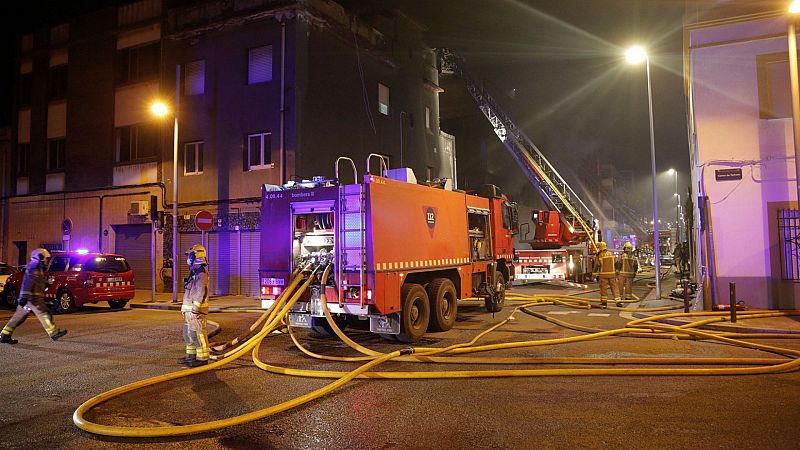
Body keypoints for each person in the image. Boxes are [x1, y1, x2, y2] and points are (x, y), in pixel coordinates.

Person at [1, 249, 67, 344]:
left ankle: (4, 335)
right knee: (44, 313)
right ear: (40, 257)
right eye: (46, 258)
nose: (47, 261)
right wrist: (24, 296)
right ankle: (54, 333)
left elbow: (37, 283)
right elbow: (28, 282)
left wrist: (47, 286)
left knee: (19, 317)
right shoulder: (34, 266)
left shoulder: (38, 267)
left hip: (30, 298)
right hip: (33, 299)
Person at [178, 244, 210, 367]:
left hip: (196, 311)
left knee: (198, 334)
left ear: (194, 256)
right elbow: (189, 292)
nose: (187, 259)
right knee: (188, 334)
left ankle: (202, 359)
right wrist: (184, 308)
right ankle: (191, 357)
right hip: (189, 311)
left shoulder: (202, 273)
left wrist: (196, 308)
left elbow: (200, 291)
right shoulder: (194, 272)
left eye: (189, 255)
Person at [592, 241, 620, 308]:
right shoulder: (611, 254)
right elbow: (617, 263)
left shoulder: (599, 256)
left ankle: (604, 302)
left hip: (603, 275)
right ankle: (618, 301)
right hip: (612, 275)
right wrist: (617, 271)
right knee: (615, 287)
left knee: (603, 288)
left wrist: (593, 274)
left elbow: (597, 265)